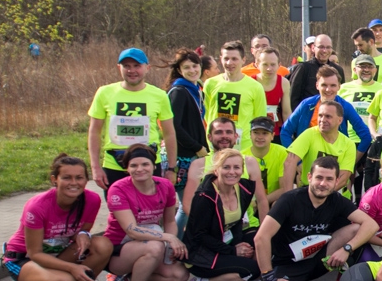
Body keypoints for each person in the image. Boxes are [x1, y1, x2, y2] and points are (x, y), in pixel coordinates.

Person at [257, 156, 378, 281]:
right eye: (319, 177)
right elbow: (261, 237)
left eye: (329, 179)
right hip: (288, 265)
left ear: (336, 182)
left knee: (356, 228)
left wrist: (347, 249)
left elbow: (371, 225)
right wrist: (269, 278)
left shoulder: (337, 200)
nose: (323, 183)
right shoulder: (290, 200)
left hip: (319, 259)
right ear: (309, 177)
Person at [5, 154, 111, 281]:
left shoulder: (92, 199)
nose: (74, 183)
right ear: (55, 179)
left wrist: (83, 235)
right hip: (24, 259)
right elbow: (35, 253)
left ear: (86, 180)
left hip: (58, 252)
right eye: (67, 177)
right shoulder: (37, 206)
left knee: (103, 245)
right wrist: (72, 268)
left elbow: (83, 229)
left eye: (79, 177)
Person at [103, 145, 191, 281]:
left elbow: (170, 221)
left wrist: (170, 244)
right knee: (154, 246)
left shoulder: (165, 186)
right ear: (127, 168)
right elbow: (131, 230)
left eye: (145, 164)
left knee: (179, 275)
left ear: (154, 166)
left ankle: (134, 277)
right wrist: (167, 238)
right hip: (118, 249)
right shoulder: (118, 189)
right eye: (133, 165)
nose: (140, 169)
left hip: (150, 239)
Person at [88, 48, 179, 193]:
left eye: (137, 66)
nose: (132, 71)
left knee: (148, 212)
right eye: (127, 66)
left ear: (147, 68)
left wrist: (171, 168)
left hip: (149, 165)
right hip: (114, 166)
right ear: (119, 68)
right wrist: (95, 167)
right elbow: (94, 132)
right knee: (118, 213)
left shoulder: (160, 95)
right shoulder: (104, 93)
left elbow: (169, 134)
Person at [183, 149, 267, 281]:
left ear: (242, 170)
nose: (232, 172)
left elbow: (236, 223)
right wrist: (233, 251)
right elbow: (199, 236)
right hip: (201, 252)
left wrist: (238, 243)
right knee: (253, 269)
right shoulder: (204, 196)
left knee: (264, 244)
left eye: (237, 168)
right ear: (216, 170)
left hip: (224, 240)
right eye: (226, 167)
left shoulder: (244, 188)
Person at [182, 118, 270, 228]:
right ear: (209, 137)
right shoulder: (199, 164)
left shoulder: (249, 162)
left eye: (229, 132)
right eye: (219, 132)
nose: (224, 136)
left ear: (235, 137)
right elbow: (187, 204)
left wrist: (263, 234)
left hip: (245, 226)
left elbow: (262, 200)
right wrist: (207, 225)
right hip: (209, 227)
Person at [281, 67, 372, 156]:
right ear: (317, 85)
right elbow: (285, 131)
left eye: (333, 85)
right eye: (324, 85)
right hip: (306, 159)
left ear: (339, 87)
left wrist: (351, 162)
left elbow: (366, 136)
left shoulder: (345, 107)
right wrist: (296, 162)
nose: (328, 89)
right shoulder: (306, 104)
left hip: (334, 160)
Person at [280, 100, 357, 196]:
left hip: (335, 194)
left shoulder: (348, 144)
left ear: (340, 120)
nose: (322, 120)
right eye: (320, 115)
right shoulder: (309, 134)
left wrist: (320, 195)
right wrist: (288, 195)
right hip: (307, 191)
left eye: (328, 116)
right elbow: (289, 162)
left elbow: (343, 178)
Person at [203, 41, 267, 151]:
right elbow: (206, 113)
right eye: (226, 58)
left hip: (244, 147)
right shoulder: (210, 84)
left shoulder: (255, 87)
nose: (229, 63)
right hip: (215, 145)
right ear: (220, 59)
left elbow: (259, 118)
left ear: (243, 60)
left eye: (234, 59)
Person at [166, 48, 208, 216]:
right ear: (179, 70)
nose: (192, 71)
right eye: (187, 67)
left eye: (195, 66)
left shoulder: (195, 89)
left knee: (191, 205)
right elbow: (174, 126)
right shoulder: (179, 92)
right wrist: (197, 147)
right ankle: (178, 241)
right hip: (183, 156)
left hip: (194, 154)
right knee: (188, 206)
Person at [242, 117, 289, 225]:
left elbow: (285, 188)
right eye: (256, 132)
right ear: (250, 134)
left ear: (272, 136)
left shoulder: (282, 152)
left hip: (273, 198)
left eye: (264, 133)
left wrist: (261, 201)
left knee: (280, 204)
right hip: (250, 202)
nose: (260, 137)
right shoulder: (241, 156)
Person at [289, 34, 346, 108]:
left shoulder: (338, 70)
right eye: (321, 47)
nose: (324, 51)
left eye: (328, 47)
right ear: (313, 48)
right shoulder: (303, 68)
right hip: (308, 115)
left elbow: (341, 95)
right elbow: (293, 97)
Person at [338, 54, 382, 144]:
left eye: (370, 67)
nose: (366, 70)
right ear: (354, 70)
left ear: (375, 70)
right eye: (362, 66)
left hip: (375, 141)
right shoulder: (342, 89)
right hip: (348, 140)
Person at [253, 48, 292, 138]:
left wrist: (288, 134)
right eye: (265, 64)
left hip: (274, 131)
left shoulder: (284, 82)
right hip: (254, 130)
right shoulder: (250, 82)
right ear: (257, 65)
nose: (269, 68)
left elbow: (286, 112)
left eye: (273, 65)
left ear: (279, 65)